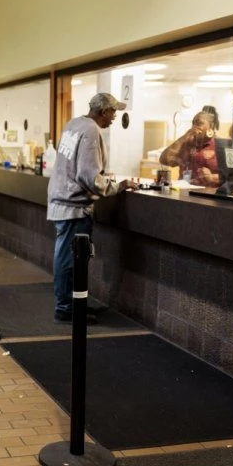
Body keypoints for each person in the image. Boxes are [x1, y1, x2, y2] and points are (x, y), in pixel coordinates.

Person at [47, 93, 137, 323]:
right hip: (73, 207)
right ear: (103, 111)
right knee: (70, 261)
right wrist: (118, 186)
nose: (114, 117)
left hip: (61, 201)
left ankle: (71, 304)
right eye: (113, 112)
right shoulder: (91, 131)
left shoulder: (73, 124)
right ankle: (67, 309)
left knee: (65, 259)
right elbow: (88, 177)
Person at [159, 106, 220, 187]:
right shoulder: (186, 144)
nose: (194, 127)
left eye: (199, 123)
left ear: (211, 126)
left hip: (207, 196)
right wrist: (184, 137)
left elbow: (232, 179)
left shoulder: (220, 146)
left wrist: (212, 177)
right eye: (193, 123)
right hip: (183, 194)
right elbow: (164, 160)